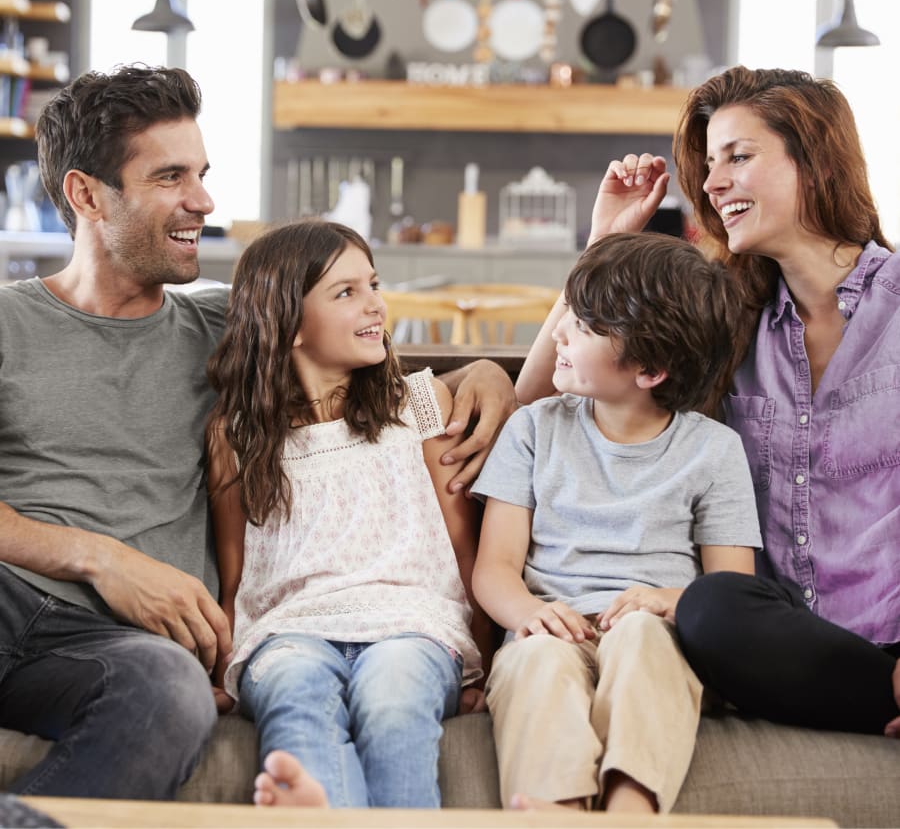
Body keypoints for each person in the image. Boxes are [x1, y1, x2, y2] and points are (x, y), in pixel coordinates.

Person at [0, 64, 514, 800]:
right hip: (10, 596)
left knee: (170, 694)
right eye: (170, 177)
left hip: (109, 649)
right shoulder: (9, 321)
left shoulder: (228, 326)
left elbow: (361, 366)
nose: (203, 201)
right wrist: (100, 558)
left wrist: (486, 373)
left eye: (202, 174)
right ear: (86, 195)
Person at [520, 65, 900, 740]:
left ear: (815, 163)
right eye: (710, 164)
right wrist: (604, 243)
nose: (711, 183)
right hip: (771, 642)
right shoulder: (727, 317)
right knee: (709, 607)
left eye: (738, 157)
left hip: (888, 632)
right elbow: (545, 398)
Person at [206, 219, 494, 809]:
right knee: (295, 696)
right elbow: (235, 578)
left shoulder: (419, 403)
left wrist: (487, 663)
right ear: (288, 324)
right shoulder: (235, 436)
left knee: (394, 701)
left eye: (374, 285)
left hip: (413, 627)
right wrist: (219, 670)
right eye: (346, 292)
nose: (376, 305)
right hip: (287, 633)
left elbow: (465, 552)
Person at [471, 232, 762, 813]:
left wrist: (666, 600)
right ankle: (554, 810)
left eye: (583, 325)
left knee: (641, 638)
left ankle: (631, 808)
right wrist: (527, 614)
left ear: (650, 369)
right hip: (551, 629)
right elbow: (494, 569)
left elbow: (732, 592)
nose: (558, 330)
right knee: (536, 659)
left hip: (658, 634)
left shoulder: (715, 451)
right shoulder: (533, 430)